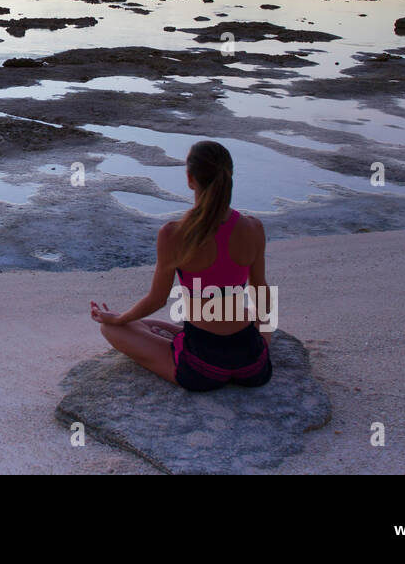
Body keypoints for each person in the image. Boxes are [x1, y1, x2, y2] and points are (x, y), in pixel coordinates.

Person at [89, 140, 273, 391]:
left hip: (203, 366)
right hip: (253, 362)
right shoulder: (254, 227)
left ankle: (174, 336)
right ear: (229, 176)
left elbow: (157, 300)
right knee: (154, 326)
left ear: (190, 178)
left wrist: (118, 318)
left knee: (113, 330)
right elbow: (261, 292)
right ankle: (189, 336)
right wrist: (265, 342)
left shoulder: (174, 234)